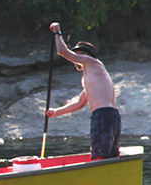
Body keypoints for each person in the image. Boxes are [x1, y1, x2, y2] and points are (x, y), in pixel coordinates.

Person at [45, 22, 121, 160]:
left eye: (77, 54)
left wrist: (57, 33)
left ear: (85, 54)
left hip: (103, 115)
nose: (75, 58)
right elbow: (79, 104)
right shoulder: (93, 78)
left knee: (100, 156)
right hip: (111, 115)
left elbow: (62, 52)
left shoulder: (92, 62)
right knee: (107, 155)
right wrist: (56, 112)